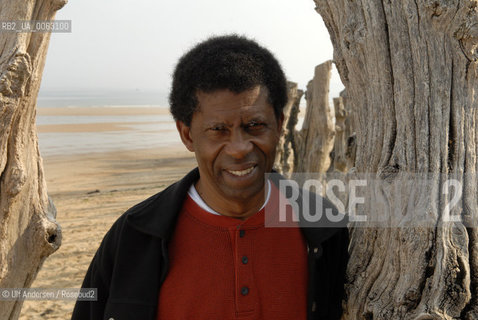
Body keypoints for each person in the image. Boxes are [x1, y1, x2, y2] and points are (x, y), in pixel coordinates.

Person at [71, 34, 349, 320]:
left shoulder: (325, 227)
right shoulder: (134, 238)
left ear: (278, 125)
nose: (240, 149)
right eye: (218, 130)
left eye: (255, 125)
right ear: (187, 135)